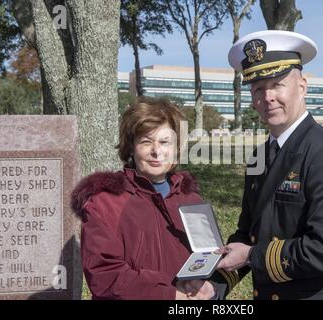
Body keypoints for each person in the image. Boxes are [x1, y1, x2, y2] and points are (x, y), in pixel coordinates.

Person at [217, 30, 323, 300]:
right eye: (258, 89)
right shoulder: (259, 157)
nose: (268, 97)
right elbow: (248, 234)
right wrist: (215, 284)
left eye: (277, 85)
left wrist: (251, 256)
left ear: (302, 87)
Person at [71, 96, 237, 299]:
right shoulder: (105, 202)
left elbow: (210, 256)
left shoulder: (191, 199)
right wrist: (171, 295)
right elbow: (104, 275)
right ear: (131, 147)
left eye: (165, 142)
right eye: (146, 142)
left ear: (176, 148)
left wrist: (209, 287)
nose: (156, 151)